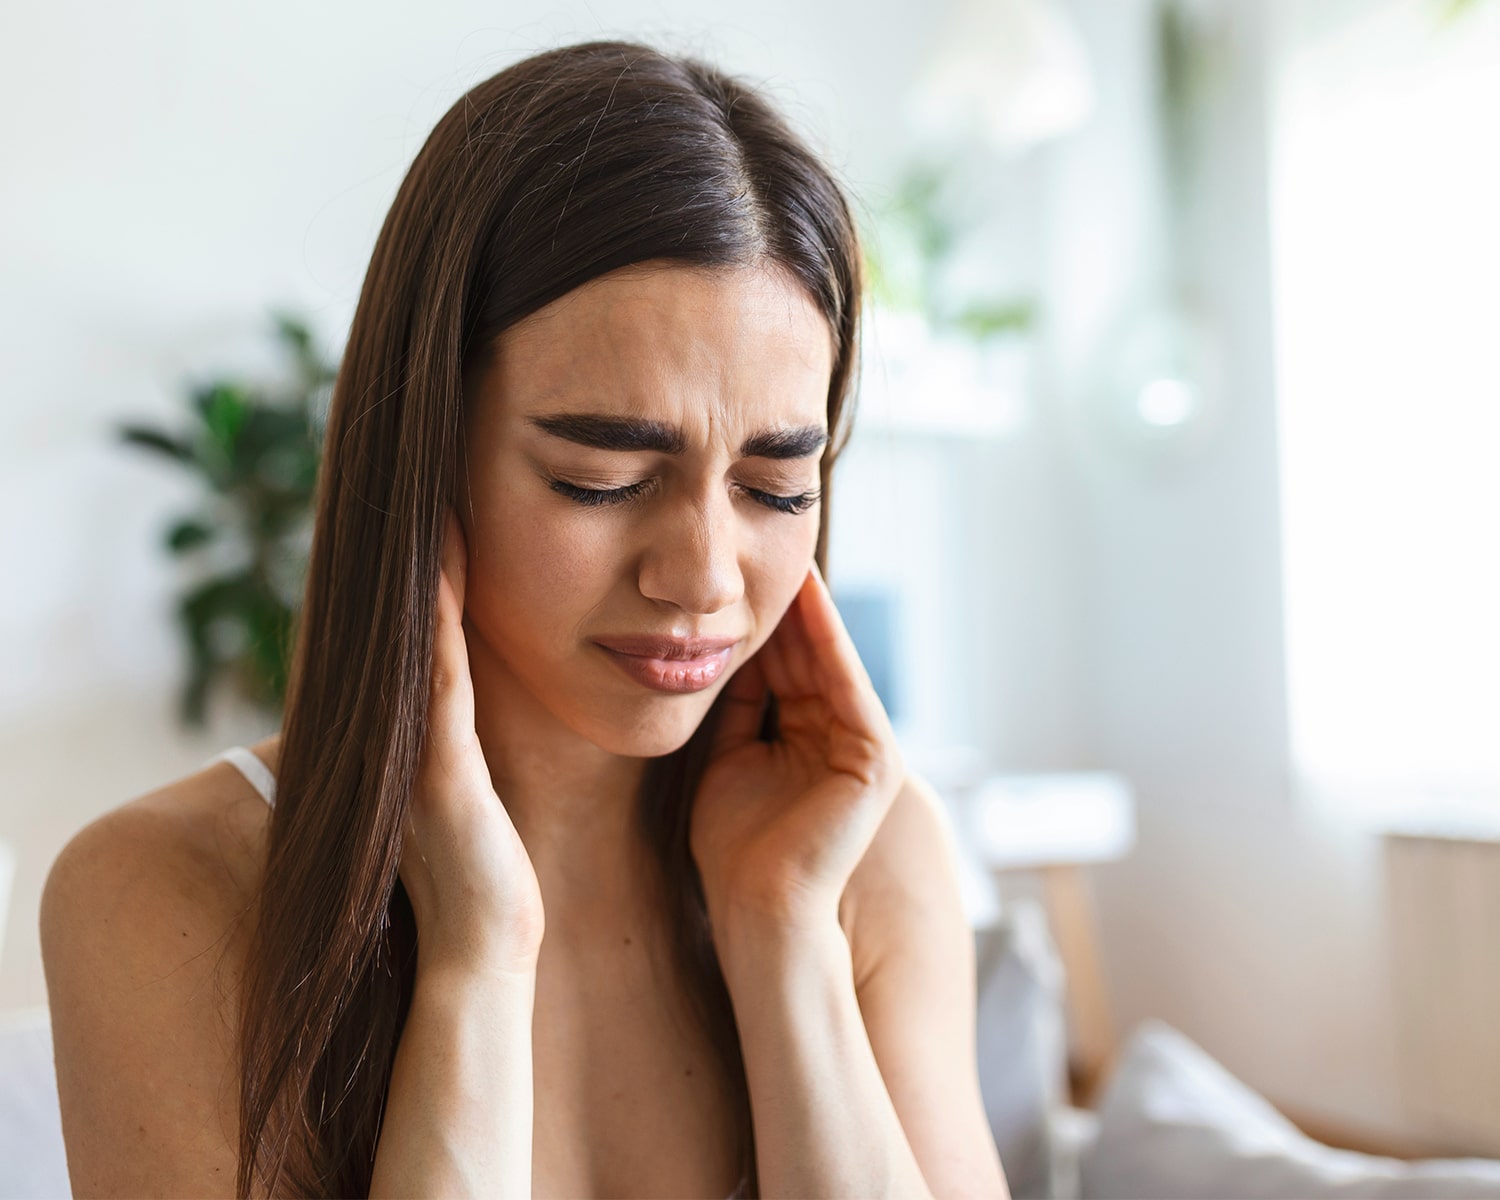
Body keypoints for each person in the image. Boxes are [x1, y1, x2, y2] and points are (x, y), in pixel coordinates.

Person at [38, 39, 1008, 1199]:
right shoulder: (162, 896)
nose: (703, 576)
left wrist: (784, 932)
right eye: (601, 476)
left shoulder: (869, 860)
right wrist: (474, 961)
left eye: (775, 487)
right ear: (428, 456)